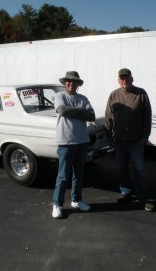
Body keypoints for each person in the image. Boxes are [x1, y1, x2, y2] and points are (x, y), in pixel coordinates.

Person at [104, 68, 155, 212]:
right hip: (119, 141)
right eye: (122, 78)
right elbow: (108, 117)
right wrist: (109, 138)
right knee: (122, 169)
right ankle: (126, 193)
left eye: (127, 78)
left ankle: (143, 198)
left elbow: (148, 117)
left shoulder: (141, 94)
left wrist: (145, 137)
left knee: (139, 170)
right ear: (118, 80)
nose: (124, 80)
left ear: (132, 79)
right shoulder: (114, 95)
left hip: (136, 142)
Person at [52, 71, 96, 219]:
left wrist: (76, 112)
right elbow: (62, 110)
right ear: (65, 83)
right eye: (68, 81)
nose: (71, 84)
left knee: (79, 174)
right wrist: (81, 111)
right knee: (63, 176)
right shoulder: (60, 97)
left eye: (74, 82)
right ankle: (57, 204)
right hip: (65, 141)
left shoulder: (83, 97)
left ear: (78, 84)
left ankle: (76, 200)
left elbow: (91, 116)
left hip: (82, 141)